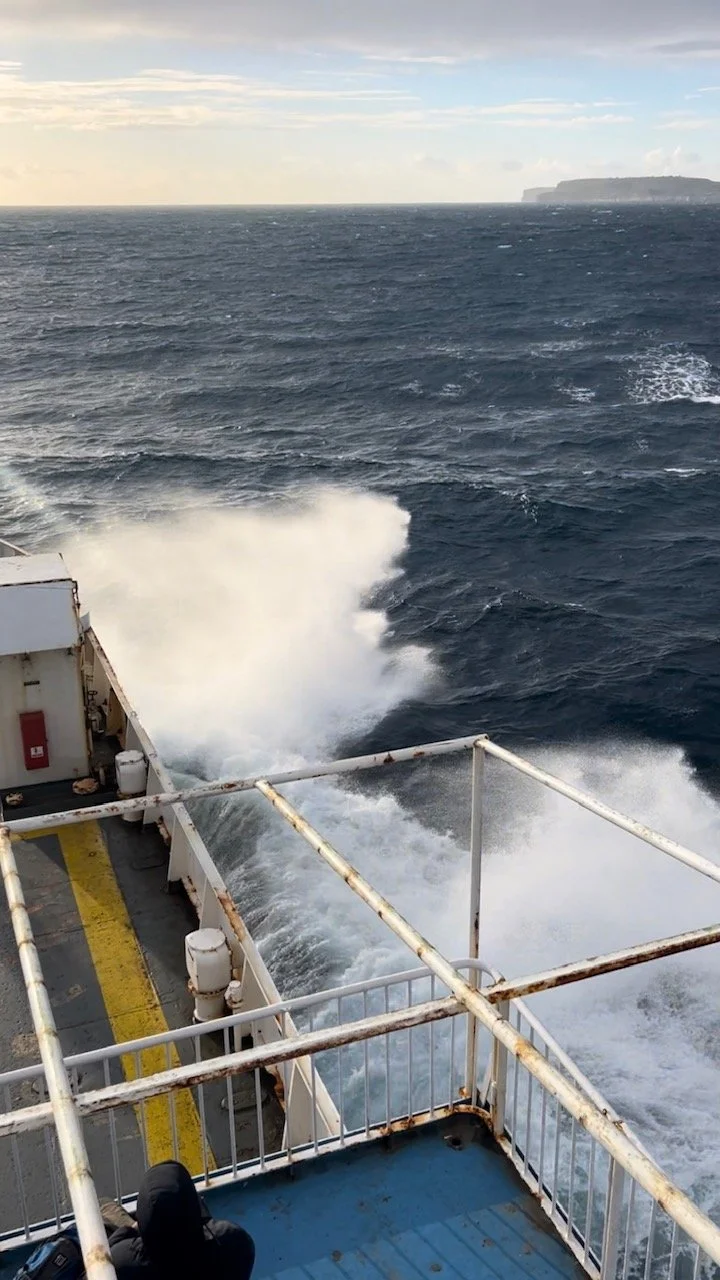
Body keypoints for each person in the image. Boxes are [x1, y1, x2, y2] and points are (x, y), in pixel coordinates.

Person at [108, 1161, 255, 1280]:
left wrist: (132, 1228)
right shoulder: (233, 1244)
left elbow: (110, 1251)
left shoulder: (122, 1264)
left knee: (105, 1208)